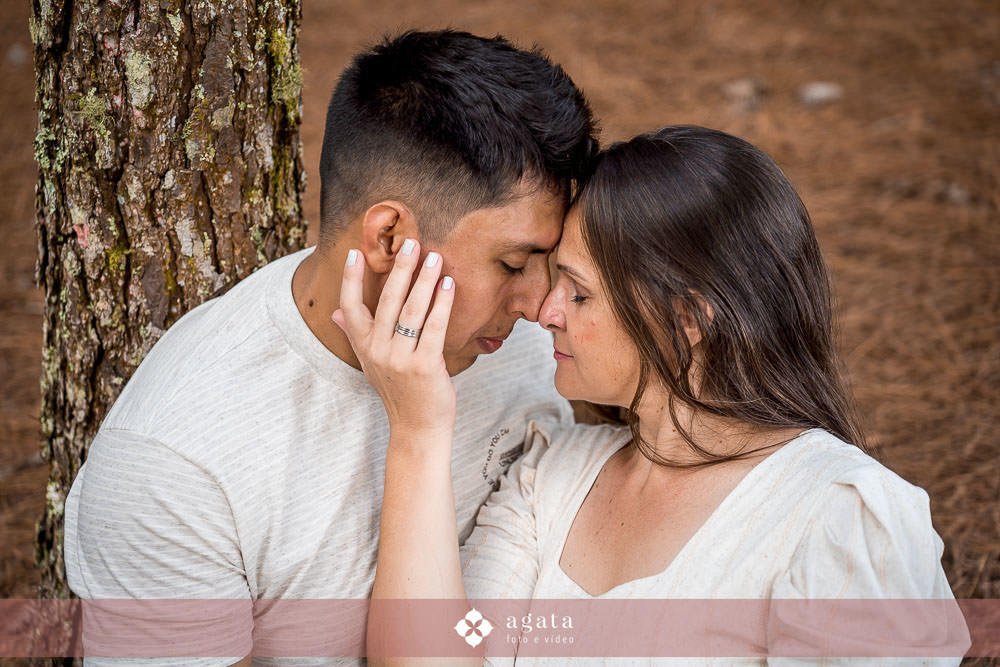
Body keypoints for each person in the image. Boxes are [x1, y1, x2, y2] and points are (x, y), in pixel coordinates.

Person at [338, 126, 969, 664]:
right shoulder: (551, 478)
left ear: (688, 320)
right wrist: (418, 435)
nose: (546, 311)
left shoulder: (841, 518)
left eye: (578, 292)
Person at [62, 29, 597, 665]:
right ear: (390, 239)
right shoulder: (174, 468)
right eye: (514, 263)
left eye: (549, 262)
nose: (543, 306)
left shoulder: (511, 336)